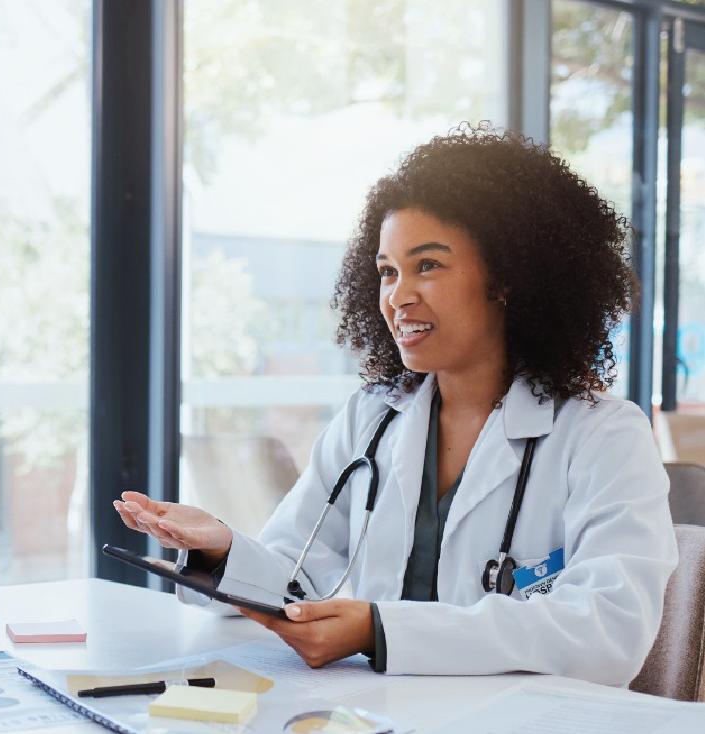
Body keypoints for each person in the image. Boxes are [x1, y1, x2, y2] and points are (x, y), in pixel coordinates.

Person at [115, 125, 678, 686]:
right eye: (387, 271)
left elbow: (610, 627)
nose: (397, 296)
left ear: (507, 276)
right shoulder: (373, 417)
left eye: (427, 265)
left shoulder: (604, 435)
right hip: (383, 714)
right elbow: (297, 573)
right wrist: (218, 545)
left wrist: (380, 631)